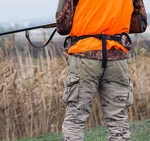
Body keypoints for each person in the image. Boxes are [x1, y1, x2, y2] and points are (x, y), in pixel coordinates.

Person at [57, 0, 135, 140]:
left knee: (76, 117)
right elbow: (139, 23)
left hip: (84, 55)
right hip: (116, 56)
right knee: (118, 119)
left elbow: (63, 25)